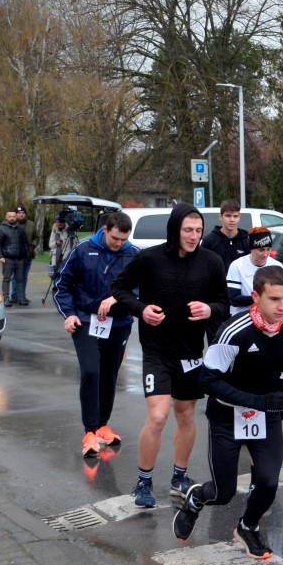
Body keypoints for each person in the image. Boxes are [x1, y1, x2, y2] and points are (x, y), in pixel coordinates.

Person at [170, 266, 283, 559]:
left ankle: (248, 526)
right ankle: (195, 499)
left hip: (265, 414)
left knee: (269, 482)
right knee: (224, 493)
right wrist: (255, 401)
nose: (282, 306)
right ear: (256, 297)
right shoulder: (234, 332)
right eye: (274, 299)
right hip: (226, 416)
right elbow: (207, 381)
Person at [111, 203, 230, 508]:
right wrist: (141, 310)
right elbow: (119, 288)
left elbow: (223, 304)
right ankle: (144, 481)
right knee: (158, 416)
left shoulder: (212, 262)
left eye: (198, 230)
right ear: (175, 229)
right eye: (188, 230)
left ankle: (180, 477)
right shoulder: (149, 258)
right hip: (157, 351)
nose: (193, 236)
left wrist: (209, 310)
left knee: (186, 415)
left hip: (190, 352)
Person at [53, 211, 139, 456]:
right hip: (85, 320)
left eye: (124, 240)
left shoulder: (133, 254)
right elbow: (62, 285)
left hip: (119, 323)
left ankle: (102, 425)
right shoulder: (83, 250)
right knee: (91, 371)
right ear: (105, 230)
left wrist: (117, 297)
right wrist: (69, 314)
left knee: (110, 374)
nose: (119, 244)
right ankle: (90, 430)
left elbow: (141, 287)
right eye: (115, 238)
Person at [226, 228, 283, 315]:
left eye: (268, 249)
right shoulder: (237, 265)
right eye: (261, 250)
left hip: (270, 316)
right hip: (243, 316)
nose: (265, 254)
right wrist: (263, 299)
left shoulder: (277, 266)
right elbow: (234, 299)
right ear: (251, 249)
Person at [201, 199, 248, 271]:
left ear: (239, 217)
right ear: (220, 217)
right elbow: (202, 267)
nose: (232, 220)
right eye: (228, 216)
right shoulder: (209, 241)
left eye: (235, 216)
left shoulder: (246, 241)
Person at [0, 210, 28, 307]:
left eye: (13, 216)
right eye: (10, 216)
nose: (12, 218)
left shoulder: (20, 229)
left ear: (16, 217)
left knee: (20, 279)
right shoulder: (1, 229)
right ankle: (6, 299)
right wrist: (0, 256)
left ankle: (21, 298)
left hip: (20, 258)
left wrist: (26, 255)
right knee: (6, 279)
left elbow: (25, 243)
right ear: (6, 217)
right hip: (7, 258)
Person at [16, 206, 36, 305]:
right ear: (16, 214)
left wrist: (32, 245)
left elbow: (37, 237)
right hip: (15, 254)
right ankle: (14, 296)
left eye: (23, 213)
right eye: (19, 213)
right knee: (15, 277)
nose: (21, 214)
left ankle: (22, 296)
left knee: (24, 276)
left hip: (28, 254)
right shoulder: (12, 224)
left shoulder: (31, 224)